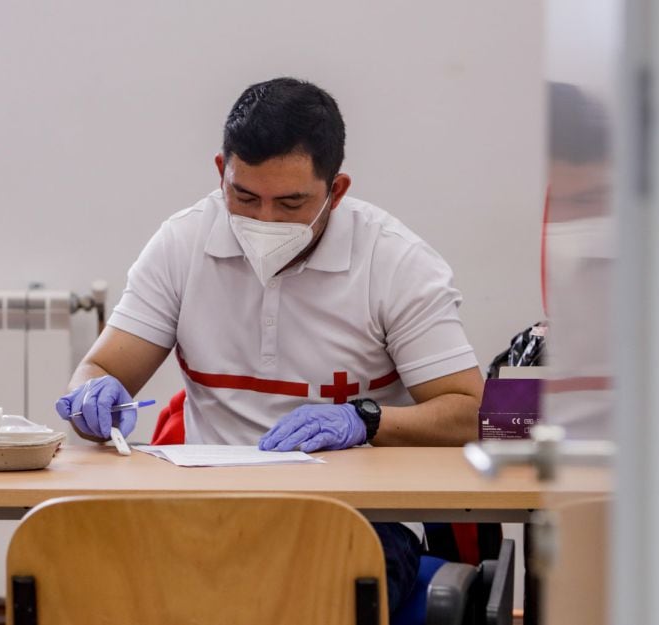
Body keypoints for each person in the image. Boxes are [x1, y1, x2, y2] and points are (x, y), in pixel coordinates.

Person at [54, 77, 484, 612]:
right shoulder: (182, 245)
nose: (263, 221)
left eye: (291, 202)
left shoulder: (395, 263)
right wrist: (91, 397)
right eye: (245, 196)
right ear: (221, 172)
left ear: (337, 190)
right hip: (204, 513)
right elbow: (99, 369)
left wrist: (366, 420)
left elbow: (469, 414)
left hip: (352, 522)